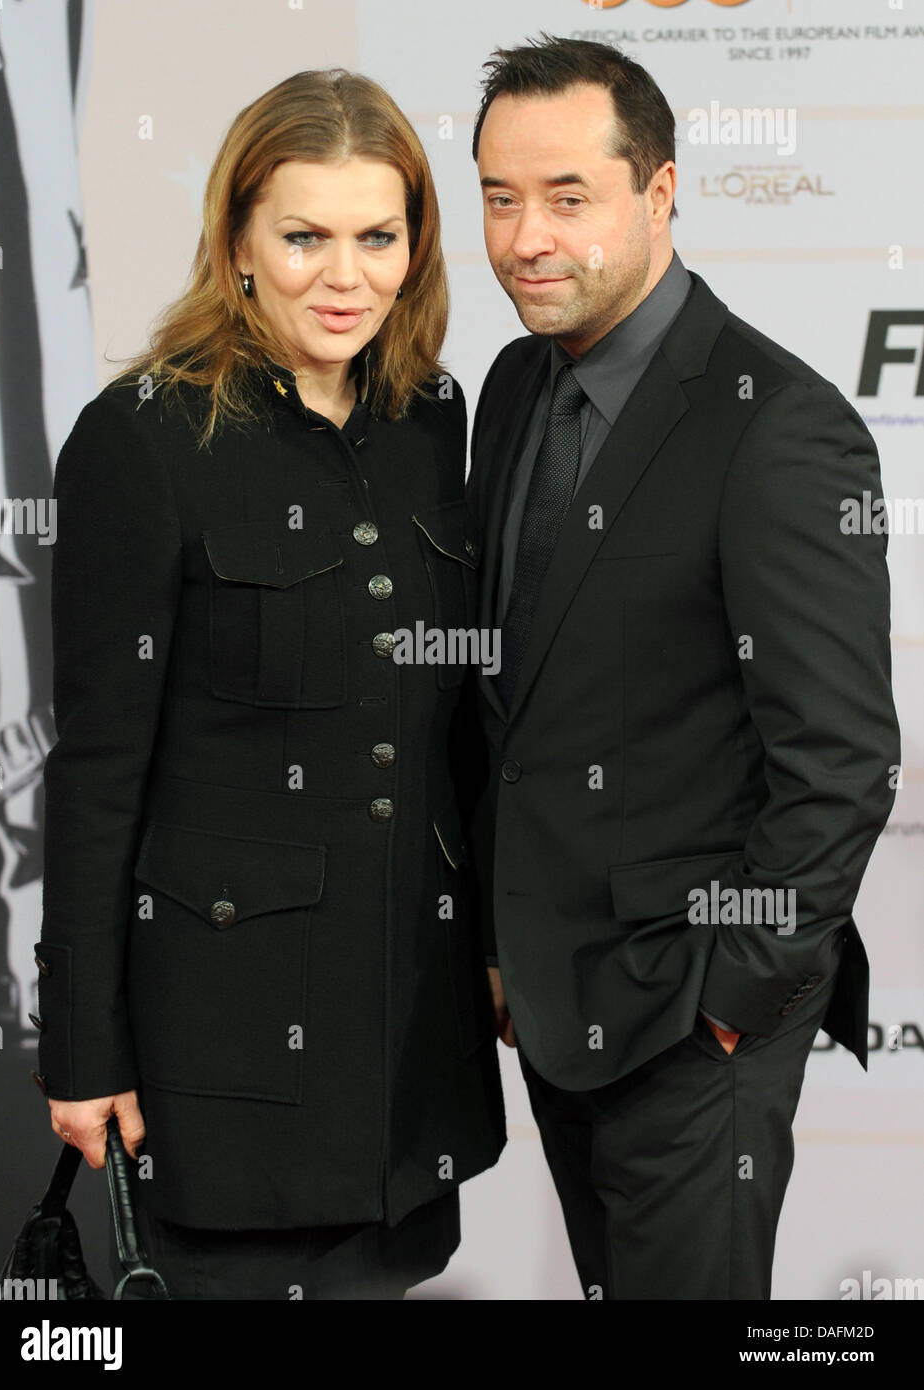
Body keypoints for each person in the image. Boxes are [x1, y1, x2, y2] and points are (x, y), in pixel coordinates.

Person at [31, 68, 504, 1301]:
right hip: (222, 1053)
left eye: (375, 236)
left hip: (407, 1042)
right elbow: (95, 773)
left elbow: (459, 741)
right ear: (237, 240)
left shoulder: (433, 419)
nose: (343, 276)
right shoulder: (141, 439)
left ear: (415, 243)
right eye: (303, 237)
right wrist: (81, 1051)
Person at [465, 35, 900, 1300]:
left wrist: (728, 1003)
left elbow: (838, 764)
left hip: (691, 1025)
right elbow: (512, 700)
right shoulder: (509, 385)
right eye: (498, 199)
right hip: (550, 1006)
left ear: (657, 195)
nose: (525, 239)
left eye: (565, 198)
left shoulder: (779, 426)